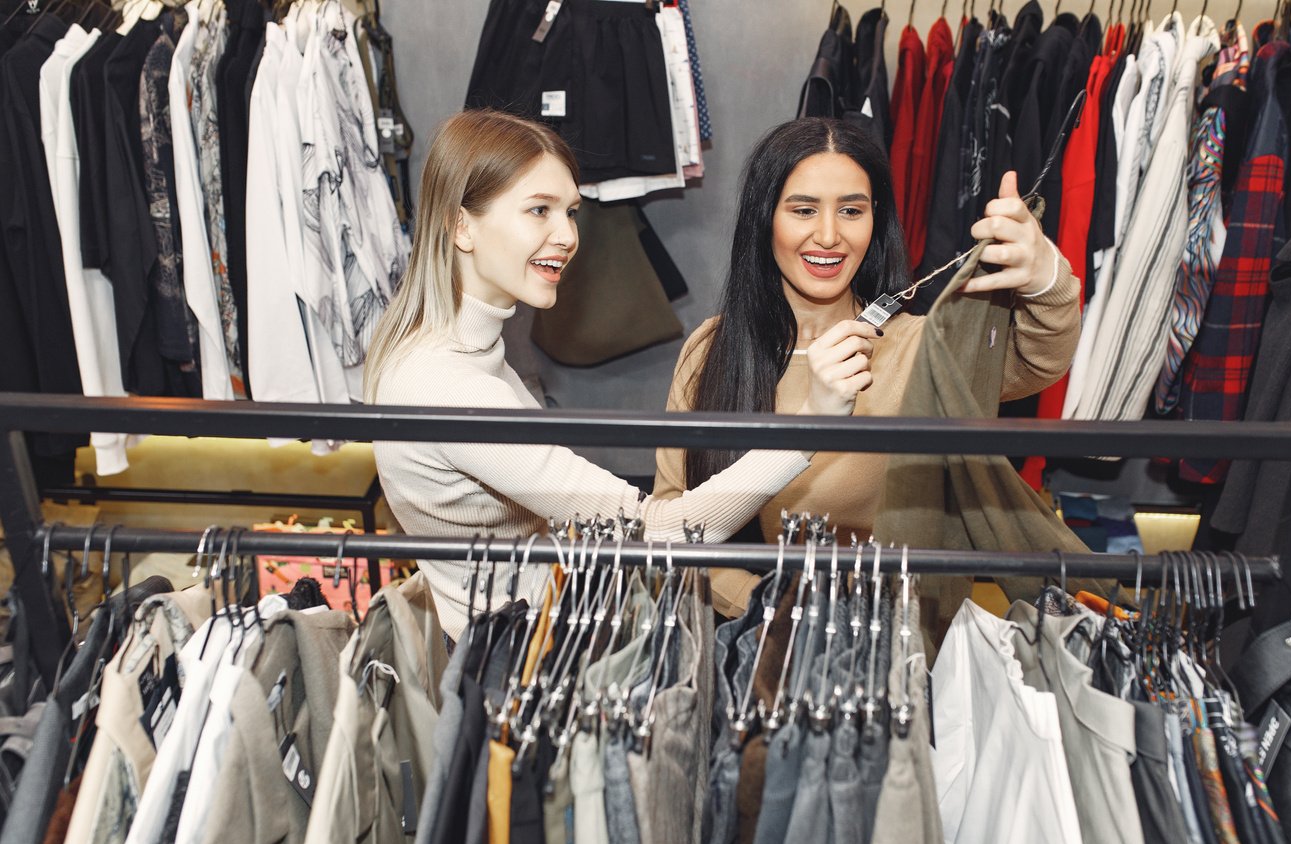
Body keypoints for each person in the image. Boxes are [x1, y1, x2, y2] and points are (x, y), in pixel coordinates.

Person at [365, 109, 878, 638]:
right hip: (510, 670)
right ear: (460, 225)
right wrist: (810, 422)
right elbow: (659, 532)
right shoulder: (446, 386)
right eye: (538, 210)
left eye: (569, 212)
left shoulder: (464, 350)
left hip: (528, 639)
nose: (566, 235)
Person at [654, 117, 1082, 615]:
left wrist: (1045, 276)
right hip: (738, 646)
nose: (830, 235)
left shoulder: (918, 348)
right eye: (804, 209)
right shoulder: (710, 349)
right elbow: (669, 522)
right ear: (764, 217)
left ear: (876, 219)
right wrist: (774, 610)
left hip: (887, 651)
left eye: (851, 210)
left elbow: (1039, 358)